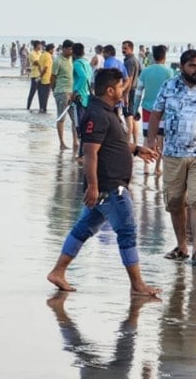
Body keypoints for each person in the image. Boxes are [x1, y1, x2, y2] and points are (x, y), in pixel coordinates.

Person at [46, 68, 160, 296]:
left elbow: (115, 143)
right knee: (127, 231)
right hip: (109, 187)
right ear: (110, 90)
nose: (122, 90)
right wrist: (93, 186)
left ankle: (58, 271)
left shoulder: (107, 112)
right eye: (119, 87)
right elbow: (90, 153)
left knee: (83, 229)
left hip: (106, 186)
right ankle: (137, 285)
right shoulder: (97, 115)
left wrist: (137, 149)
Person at [146, 49, 196, 266]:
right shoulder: (169, 86)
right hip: (173, 153)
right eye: (193, 66)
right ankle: (181, 246)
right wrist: (150, 140)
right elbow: (156, 114)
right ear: (182, 67)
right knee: (174, 201)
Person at [136, 45, 175, 176]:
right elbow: (172, 93)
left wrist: (135, 109)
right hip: (163, 111)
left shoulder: (145, 71)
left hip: (147, 109)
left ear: (153, 55)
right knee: (160, 139)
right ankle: (157, 168)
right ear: (164, 57)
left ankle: (146, 167)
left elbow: (138, 92)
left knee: (147, 138)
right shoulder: (169, 72)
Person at [53, 40, 76, 151]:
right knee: (62, 118)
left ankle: (75, 142)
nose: (72, 51)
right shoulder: (58, 60)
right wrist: (54, 90)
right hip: (62, 91)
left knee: (75, 119)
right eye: (70, 49)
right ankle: (62, 142)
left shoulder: (72, 59)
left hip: (72, 92)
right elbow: (53, 77)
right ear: (64, 49)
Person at [37, 43, 54, 114]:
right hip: (47, 78)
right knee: (46, 95)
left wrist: (40, 75)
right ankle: (44, 108)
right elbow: (46, 67)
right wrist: (42, 75)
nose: (53, 51)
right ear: (50, 49)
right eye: (53, 49)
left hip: (42, 78)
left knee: (41, 94)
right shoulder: (48, 56)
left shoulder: (42, 55)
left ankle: (41, 107)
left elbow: (38, 65)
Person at [26, 40, 42, 110]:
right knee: (32, 92)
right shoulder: (31, 54)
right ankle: (28, 106)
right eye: (39, 45)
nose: (41, 46)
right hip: (35, 75)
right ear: (36, 46)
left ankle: (41, 107)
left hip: (41, 75)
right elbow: (36, 62)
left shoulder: (39, 53)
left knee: (40, 92)